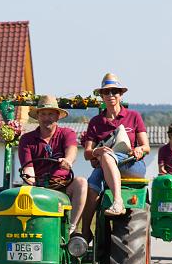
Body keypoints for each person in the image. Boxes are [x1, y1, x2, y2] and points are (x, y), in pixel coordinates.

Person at [82, 73, 150, 240]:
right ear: (101, 96)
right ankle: (84, 232)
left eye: (115, 92)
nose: (111, 95)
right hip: (105, 165)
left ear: (121, 95)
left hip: (130, 164)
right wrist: (96, 152)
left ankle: (118, 201)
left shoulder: (134, 116)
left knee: (106, 158)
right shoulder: (95, 122)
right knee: (91, 186)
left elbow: (147, 147)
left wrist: (140, 150)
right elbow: (87, 153)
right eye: (107, 92)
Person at [18, 95, 88, 234]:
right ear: (37, 117)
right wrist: (32, 184)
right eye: (43, 114)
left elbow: (72, 151)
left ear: (57, 116)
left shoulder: (67, 133)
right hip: (39, 186)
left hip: (63, 185)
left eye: (50, 114)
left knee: (81, 182)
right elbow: (28, 169)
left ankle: (72, 228)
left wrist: (67, 161)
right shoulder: (27, 139)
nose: (46, 118)